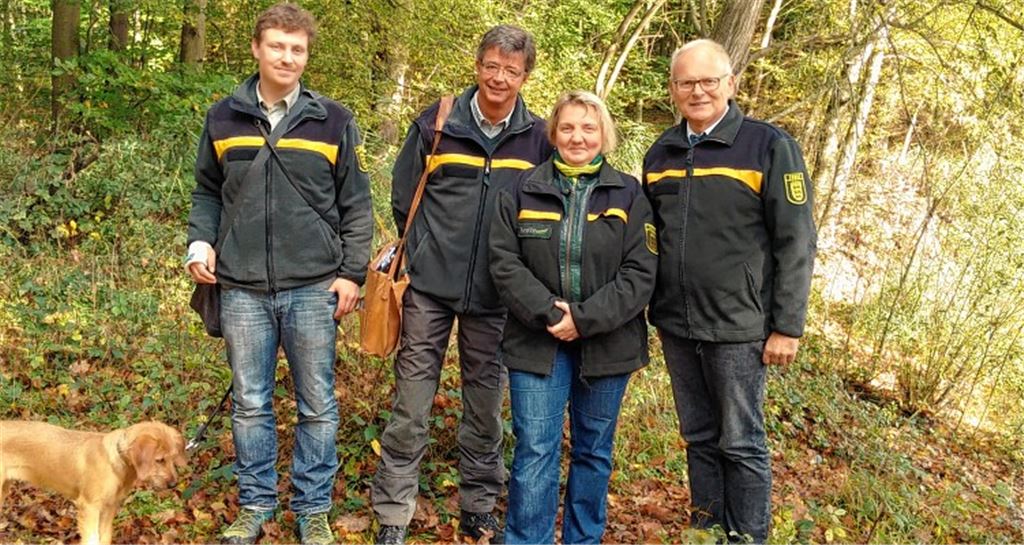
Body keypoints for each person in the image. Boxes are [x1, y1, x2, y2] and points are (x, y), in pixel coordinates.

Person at [185, 3, 373, 544]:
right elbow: (207, 191)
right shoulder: (223, 117)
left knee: (318, 405)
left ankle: (312, 510)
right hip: (241, 287)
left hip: (314, 286)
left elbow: (356, 205)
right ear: (257, 49)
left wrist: (352, 274)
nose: (287, 57)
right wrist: (199, 242)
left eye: (297, 49)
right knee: (250, 404)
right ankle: (256, 505)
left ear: (306, 55)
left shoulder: (333, 120)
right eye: (277, 47)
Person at [371, 24, 552, 545]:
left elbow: (543, 213)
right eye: (491, 66)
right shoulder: (438, 121)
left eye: (511, 70)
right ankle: (394, 513)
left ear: (524, 76)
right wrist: (425, 252)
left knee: (485, 409)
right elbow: (404, 197)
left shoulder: (538, 138)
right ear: (477, 66)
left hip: (497, 297)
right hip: (428, 289)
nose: (499, 78)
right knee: (411, 405)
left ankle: (478, 506)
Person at [642, 39, 817, 543]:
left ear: (730, 84)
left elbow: (797, 239)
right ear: (673, 88)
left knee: (741, 443)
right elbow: (650, 238)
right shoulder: (661, 153)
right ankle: (707, 533)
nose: (697, 91)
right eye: (686, 82)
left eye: (708, 81)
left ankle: (748, 537)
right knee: (699, 438)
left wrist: (787, 326)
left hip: (740, 326)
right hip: (677, 323)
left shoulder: (768, 146)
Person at [490, 90, 657, 544]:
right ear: (553, 133)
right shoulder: (521, 189)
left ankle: (584, 538)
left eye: (588, 127)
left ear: (604, 134)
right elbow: (504, 263)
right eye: (567, 127)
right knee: (534, 450)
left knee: (594, 452)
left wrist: (583, 319)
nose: (577, 137)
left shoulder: (630, 194)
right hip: (535, 342)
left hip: (609, 344)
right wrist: (551, 314)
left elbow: (641, 272)